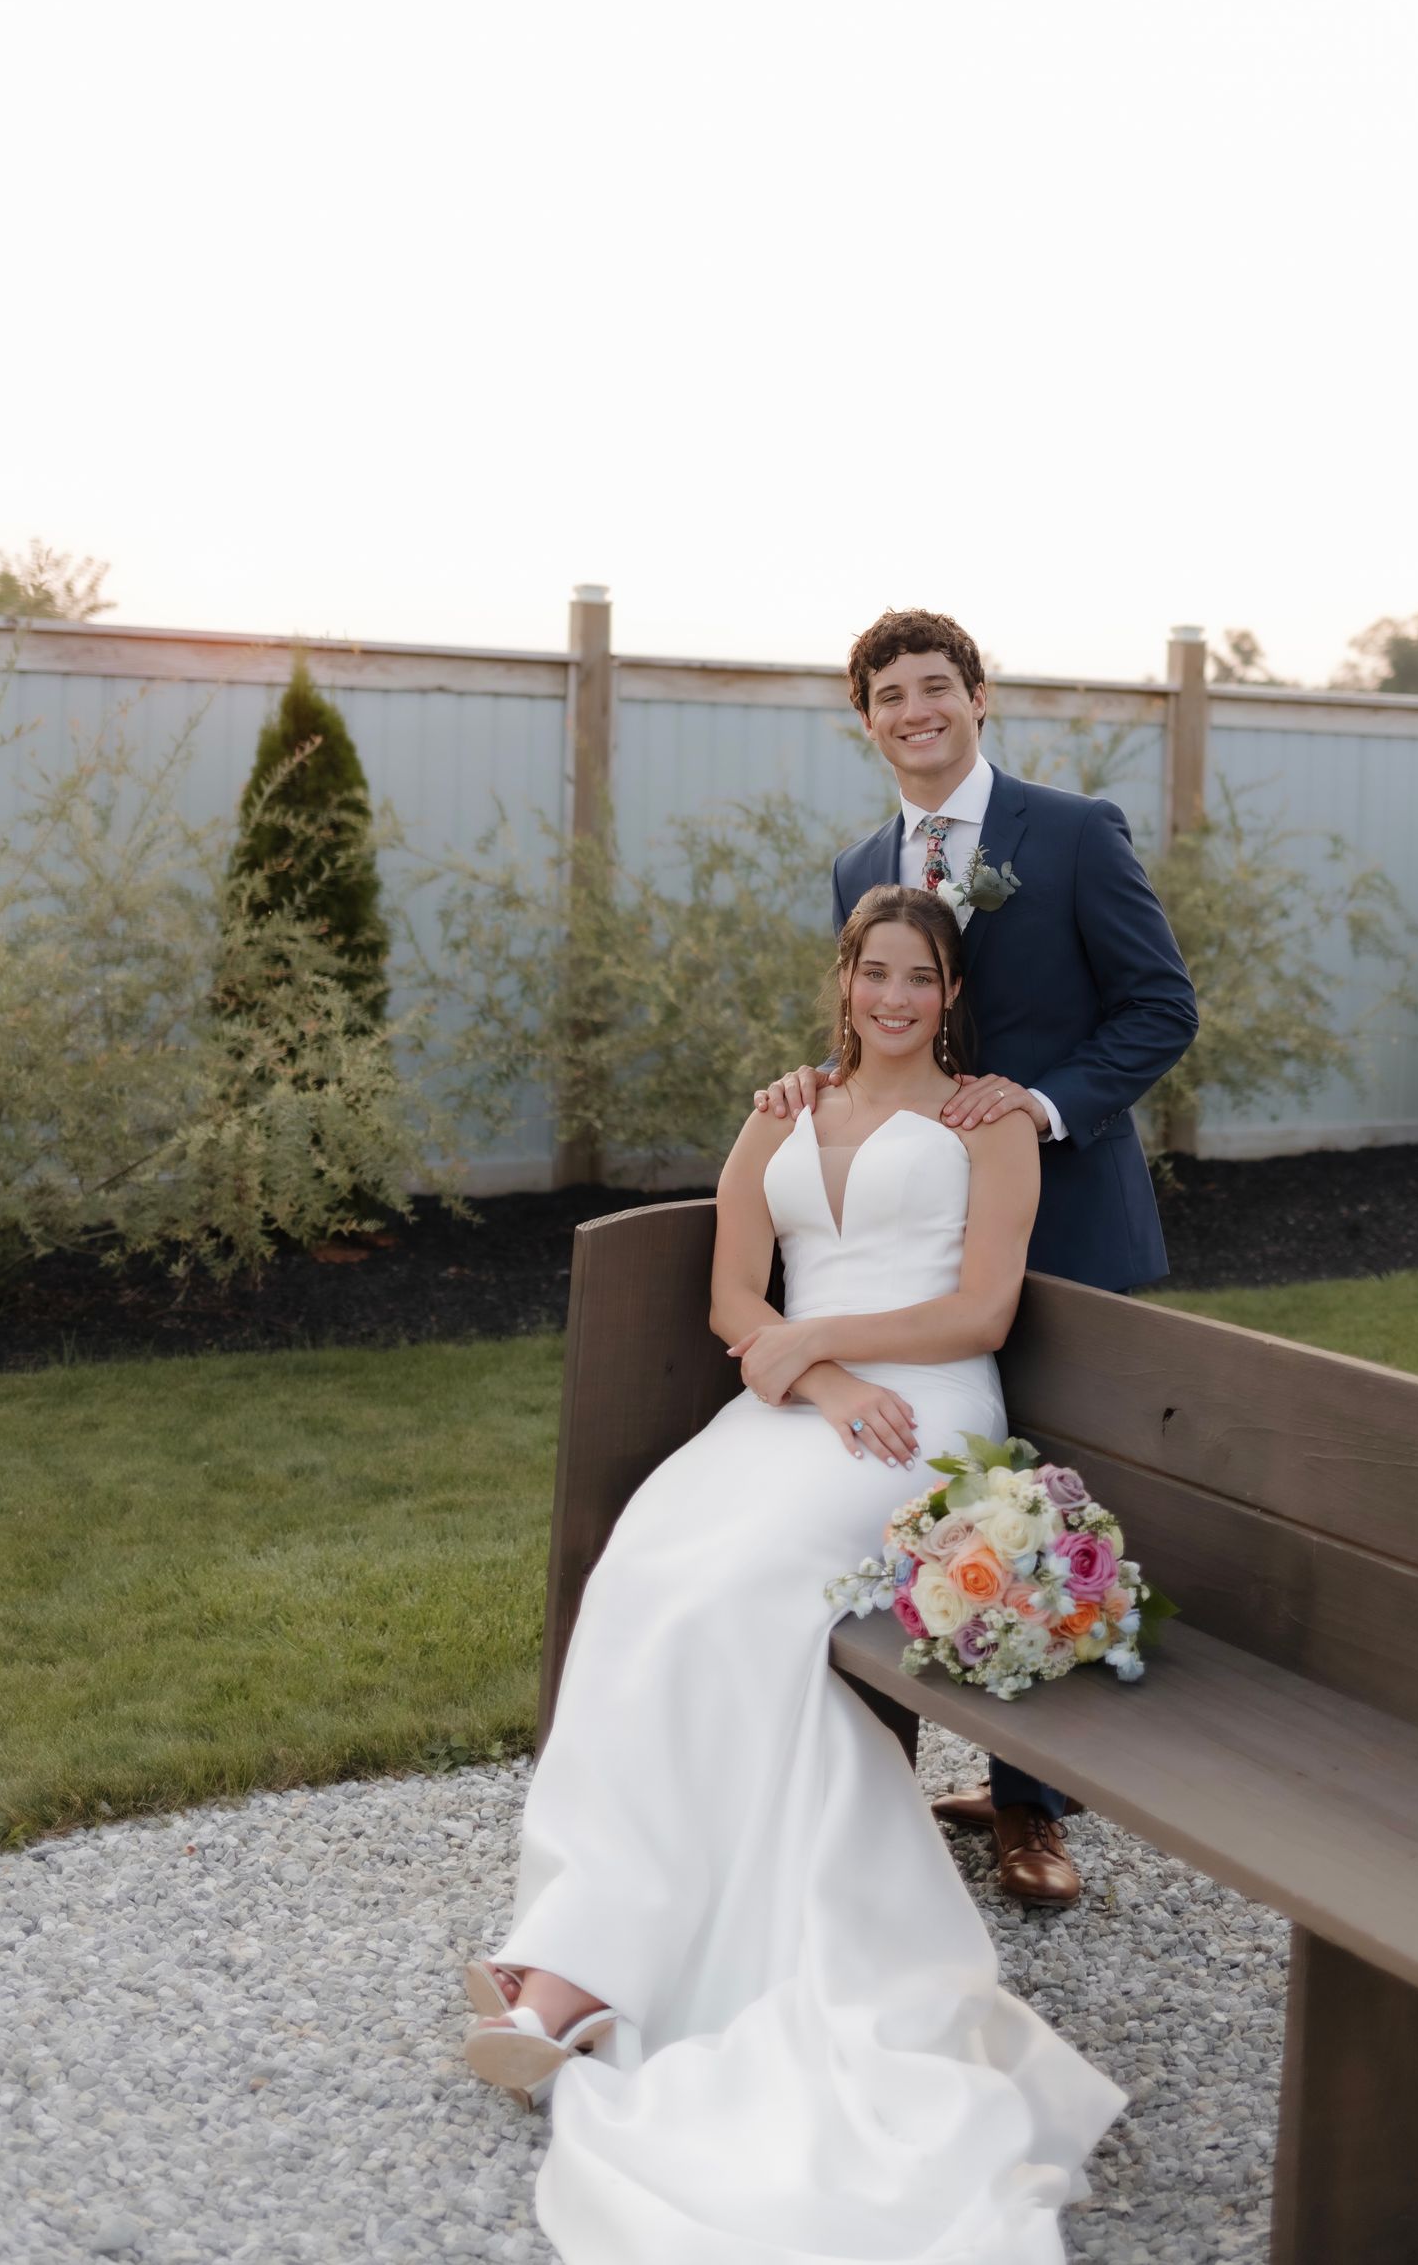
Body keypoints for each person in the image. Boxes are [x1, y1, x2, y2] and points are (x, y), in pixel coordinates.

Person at [465, 886, 1125, 2265]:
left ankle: (586, 1967)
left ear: (951, 996)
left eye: (921, 979)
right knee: (649, 1568)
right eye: (875, 972)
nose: (895, 998)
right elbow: (730, 1296)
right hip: (806, 1403)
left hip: (924, 1413)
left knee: (727, 1596)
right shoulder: (778, 1109)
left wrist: (826, 1352)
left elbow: (983, 1307)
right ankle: (598, 1939)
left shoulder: (988, 1122)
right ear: (843, 981)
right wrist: (810, 1368)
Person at [754, 606, 1198, 1904]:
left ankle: (1031, 1810)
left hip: (1063, 1232)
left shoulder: (1072, 833)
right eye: (889, 695)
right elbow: (879, 1033)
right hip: (912, 1260)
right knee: (912, 1502)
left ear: (978, 696)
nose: (915, 711)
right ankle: (882, 1779)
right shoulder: (858, 867)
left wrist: (1040, 1108)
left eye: (935, 686)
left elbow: (1158, 1007)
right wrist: (817, 1091)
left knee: (1039, 1508)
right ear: (868, 720)